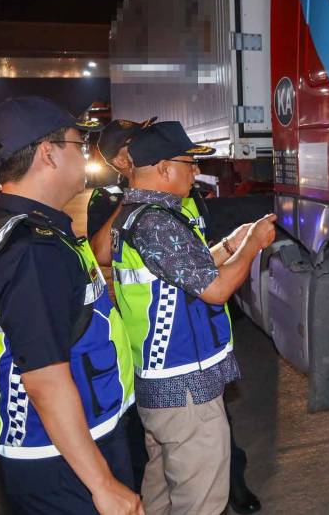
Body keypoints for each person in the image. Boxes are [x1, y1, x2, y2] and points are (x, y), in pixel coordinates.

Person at [0, 96, 141, 515]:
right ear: (47, 153)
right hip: (64, 459)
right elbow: (45, 380)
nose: (83, 157)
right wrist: (102, 483)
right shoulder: (32, 251)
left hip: (65, 446)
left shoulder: (20, 229)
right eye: (77, 145)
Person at [87, 118, 262, 514]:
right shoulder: (157, 222)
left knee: (162, 490)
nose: (196, 171)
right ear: (164, 169)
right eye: (189, 163)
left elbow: (185, 273)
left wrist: (229, 247)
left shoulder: (138, 215)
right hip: (185, 390)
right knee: (200, 502)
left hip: (161, 387)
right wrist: (252, 245)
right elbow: (215, 289)